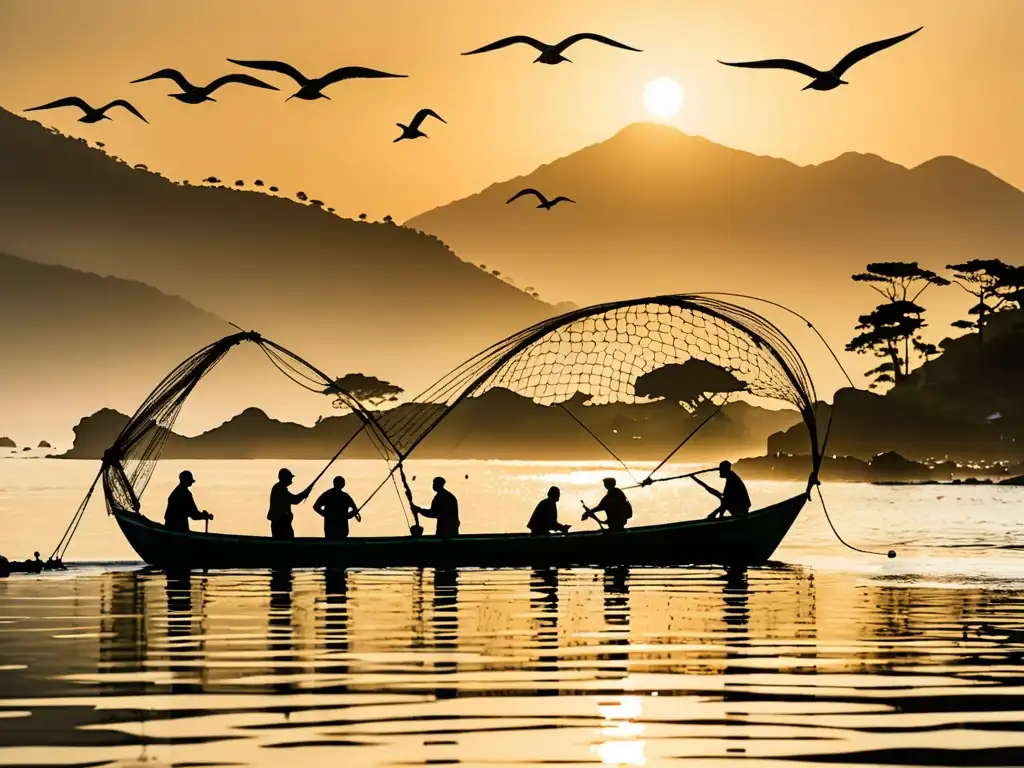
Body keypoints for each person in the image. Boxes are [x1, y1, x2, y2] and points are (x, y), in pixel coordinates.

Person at [267, 468, 311, 540]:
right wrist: (305, 493)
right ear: (285, 478)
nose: (291, 480)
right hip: (280, 524)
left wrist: (305, 493)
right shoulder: (280, 489)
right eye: (290, 478)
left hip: (282, 523)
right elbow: (295, 500)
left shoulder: (279, 488)